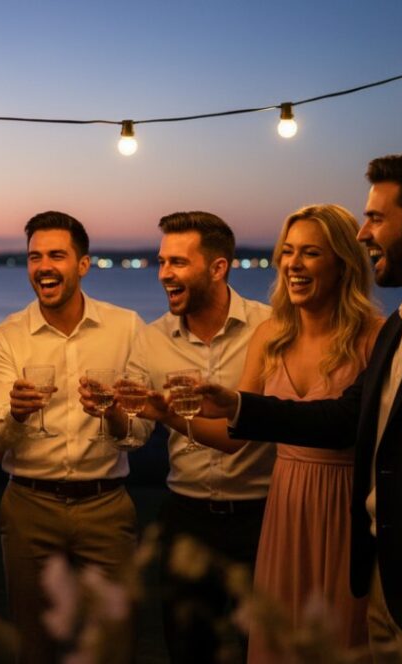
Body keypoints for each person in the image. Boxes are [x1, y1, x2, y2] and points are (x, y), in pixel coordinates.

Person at [197, 153, 402, 662]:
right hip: (379, 573)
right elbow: (341, 419)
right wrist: (235, 404)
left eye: (376, 218)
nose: (364, 233)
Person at [173, 205, 382, 660]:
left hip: (347, 507)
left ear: (343, 263)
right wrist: (164, 411)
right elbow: (235, 434)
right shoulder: (270, 334)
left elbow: (348, 425)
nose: (294, 264)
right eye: (287, 252)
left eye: (311, 253)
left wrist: (235, 405)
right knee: (278, 640)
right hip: (285, 504)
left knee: (342, 641)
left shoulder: (376, 336)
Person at [91, 211, 272, 663]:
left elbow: (253, 427)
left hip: (264, 517)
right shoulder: (151, 339)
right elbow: (134, 435)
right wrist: (112, 413)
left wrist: (167, 413)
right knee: (188, 648)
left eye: (177, 262)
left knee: (265, 648)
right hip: (187, 517)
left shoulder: (269, 328)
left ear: (218, 267)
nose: (164, 274)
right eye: (161, 261)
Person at [0, 211, 144, 663]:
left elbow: (140, 432)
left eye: (56, 255)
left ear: (83, 264)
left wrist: (114, 414)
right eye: (35, 257)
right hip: (29, 506)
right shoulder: (7, 336)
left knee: (114, 643)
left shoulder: (127, 328)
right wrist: (16, 413)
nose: (44, 266)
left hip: (106, 505)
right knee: (34, 646)